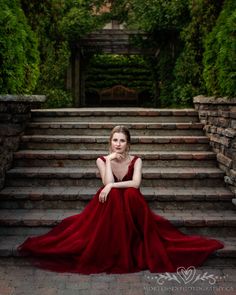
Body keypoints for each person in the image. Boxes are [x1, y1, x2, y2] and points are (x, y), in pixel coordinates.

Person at [18, 125, 224, 274]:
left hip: (133, 209)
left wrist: (110, 186)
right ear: (110, 142)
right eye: (114, 140)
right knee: (114, 196)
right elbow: (106, 181)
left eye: (122, 140)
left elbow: (135, 184)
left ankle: (133, 240)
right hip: (109, 210)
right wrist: (108, 163)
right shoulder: (101, 160)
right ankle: (115, 246)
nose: (118, 144)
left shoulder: (136, 160)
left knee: (128, 193)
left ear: (128, 143)